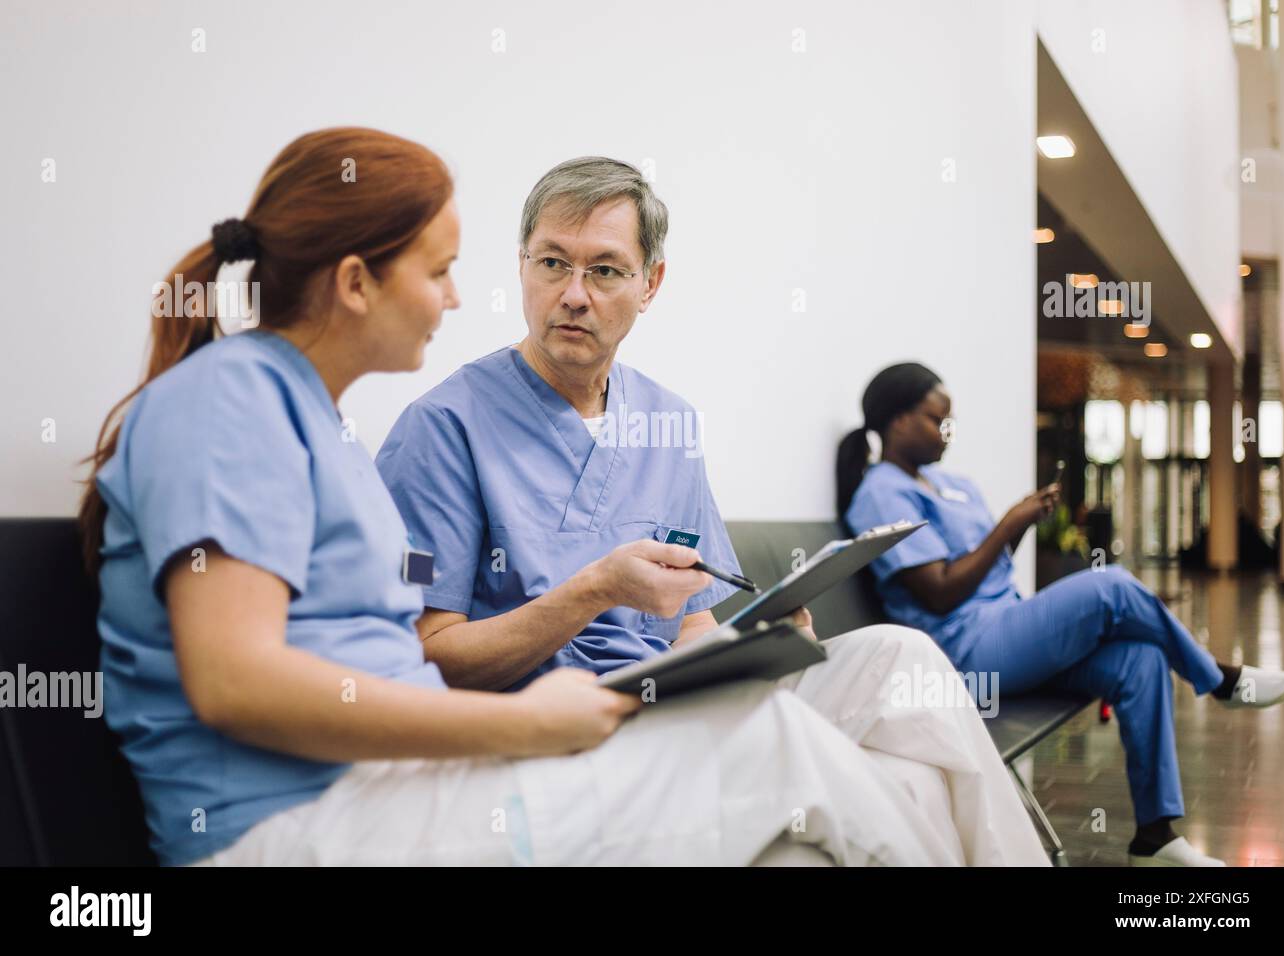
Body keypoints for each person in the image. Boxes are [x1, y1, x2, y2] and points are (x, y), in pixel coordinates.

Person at [79, 127, 989, 868]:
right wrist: (520, 717)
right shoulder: (231, 403)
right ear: (356, 282)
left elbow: (373, 661)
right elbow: (240, 681)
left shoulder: (319, 428)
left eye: (602, 269)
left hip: (405, 784)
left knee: (894, 678)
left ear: (647, 284)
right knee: (780, 753)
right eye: (439, 271)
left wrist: (732, 655)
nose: (452, 298)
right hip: (301, 826)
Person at [376, 157, 1048, 866]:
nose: (572, 294)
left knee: (901, 660)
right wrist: (592, 591)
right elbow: (429, 655)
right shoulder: (444, 426)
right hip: (562, 728)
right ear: (521, 267)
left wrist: (754, 645)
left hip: (675, 701)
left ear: (650, 283)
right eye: (552, 263)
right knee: (892, 779)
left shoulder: (667, 422)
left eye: (605, 270)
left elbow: (691, 621)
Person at [836, 361, 1284, 867]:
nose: (946, 431)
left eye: (950, 420)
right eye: (934, 419)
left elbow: (988, 568)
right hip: (962, 658)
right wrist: (1008, 522)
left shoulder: (953, 484)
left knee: (1139, 658)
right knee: (1113, 586)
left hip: (1005, 629)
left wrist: (1022, 522)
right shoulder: (881, 493)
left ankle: (1154, 836)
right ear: (896, 420)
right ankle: (1218, 680)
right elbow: (941, 593)